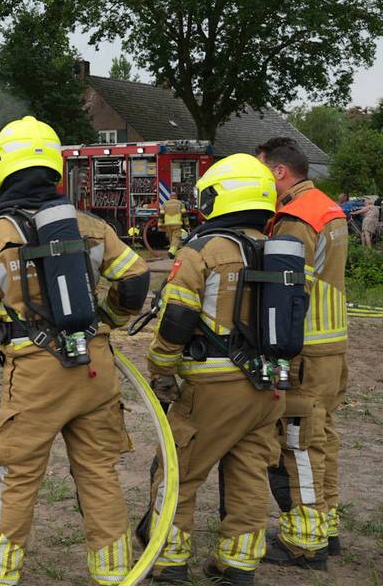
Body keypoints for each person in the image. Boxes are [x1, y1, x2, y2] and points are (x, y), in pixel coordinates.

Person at [0, 116, 150, 586]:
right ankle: (114, 573)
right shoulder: (91, 226)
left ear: (2, 168)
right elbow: (136, 278)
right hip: (95, 370)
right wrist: (106, 320)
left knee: (17, 476)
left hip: (35, 376)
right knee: (99, 472)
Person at [142, 154, 289, 585]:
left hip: (211, 386)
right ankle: (238, 564)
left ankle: (169, 560)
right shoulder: (277, 251)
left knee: (178, 471)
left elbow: (176, 318)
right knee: (248, 475)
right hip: (266, 387)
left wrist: (161, 369)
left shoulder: (202, 250)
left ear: (219, 197)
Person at [256, 137, 349, 568]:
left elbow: (290, 292)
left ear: (279, 172)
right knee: (322, 437)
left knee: (299, 444)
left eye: (261, 170)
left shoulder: (295, 219)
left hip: (305, 350)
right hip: (332, 346)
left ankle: (304, 544)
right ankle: (325, 527)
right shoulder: (328, 208)